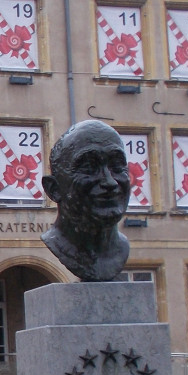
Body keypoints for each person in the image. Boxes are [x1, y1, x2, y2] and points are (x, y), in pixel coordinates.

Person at [40, 120, 131, 282]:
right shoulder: (56, 244)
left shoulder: (122, 249)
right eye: (89, 168)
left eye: (117, 167)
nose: (110, 182)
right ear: (53, 189)